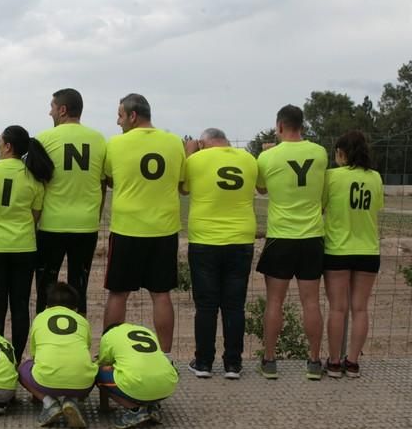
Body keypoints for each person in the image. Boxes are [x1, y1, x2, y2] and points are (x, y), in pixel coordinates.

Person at [102, 93, 185, 354]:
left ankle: (109, 353)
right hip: (164, 229)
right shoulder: (174, 142)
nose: (118, 121)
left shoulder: (115, 144)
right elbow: (180, 182)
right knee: (161, 294)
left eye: (120, 115)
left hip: (128, 229)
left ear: (132, 116)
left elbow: (110, 179)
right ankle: (166, 356)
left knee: (118, 294)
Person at [255, 105, 328, 380]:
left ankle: (270, 361)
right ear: (302, 125)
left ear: (279, 126)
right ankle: (313, 361)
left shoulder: (267, 156)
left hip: (281, 237)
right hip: (312, 237)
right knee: (311, 302)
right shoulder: (320, 152)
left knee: (275, 301)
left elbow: (261, 188)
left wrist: (270, 152)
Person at [182, 129, 258, 379]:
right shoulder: (248, 159)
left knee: (206, 305)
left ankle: (203, 362)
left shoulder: (196, 160)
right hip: (241, 238)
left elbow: (183, 189)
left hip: (205, 239)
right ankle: (233, 364)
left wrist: (189, 153)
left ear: (204, 143)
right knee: (234, 305)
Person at [0, 125, 53, 362]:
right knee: (21, 306)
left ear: (8, 146)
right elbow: (35, 216)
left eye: (0, 141)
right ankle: (16, 360)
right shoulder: (33, 176)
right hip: (24, 248)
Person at [35, 88, 106, 315]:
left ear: (62, 110)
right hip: (85, 225)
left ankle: (43, 344)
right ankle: (79, 342)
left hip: (51, 224)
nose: (50, 113)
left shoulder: (43, 139)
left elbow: (35, 185)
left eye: (52, 108)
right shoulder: (99, 139)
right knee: (80, 287)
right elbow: (103, 184)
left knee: (45, 286)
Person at [322, 130, 384, 378]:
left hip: (337, 249)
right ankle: (353, 362)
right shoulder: (376, 178)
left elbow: (322, 206)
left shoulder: (331, 177)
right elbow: (376, 206)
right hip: (368, 250)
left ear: (341, 153)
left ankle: (334, 363)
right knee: (360, 308)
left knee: (338, 308)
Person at [19, 282, 97, 429]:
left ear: (47, 306)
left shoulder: (40, 318)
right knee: (89, 366)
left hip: (47, 382)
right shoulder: (82, 321)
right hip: (82, 385)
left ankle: (49, 403)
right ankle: (72, 400)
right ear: (75, 308)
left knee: (23, 368)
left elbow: (35, 356)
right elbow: (86, 348)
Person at [96, 323, 178, 429]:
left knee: (97, 372)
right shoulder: (146, 330)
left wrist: (104, 407)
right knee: (150, 370)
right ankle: (151, 406)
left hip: (139, 384)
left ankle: (135, 410)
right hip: (168, 384)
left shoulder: (108, 336)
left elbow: (104, 363)